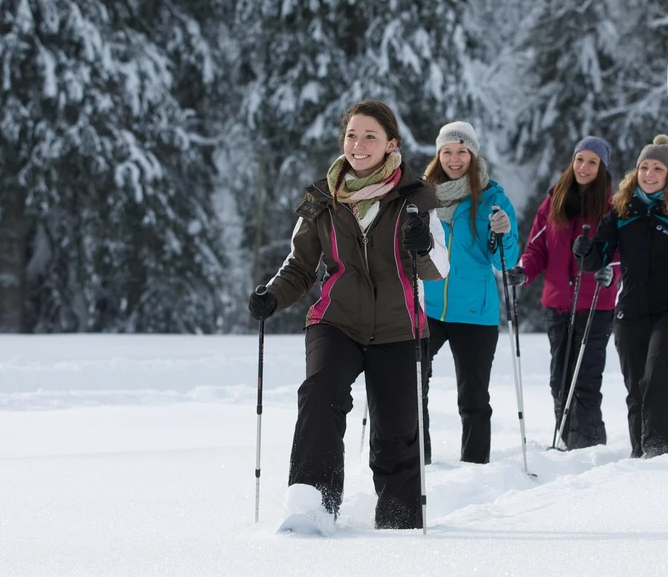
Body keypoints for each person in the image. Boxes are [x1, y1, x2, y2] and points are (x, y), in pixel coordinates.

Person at [247, 100, 448, 530]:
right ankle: (311, 506)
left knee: (396, 433)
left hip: (399, 327)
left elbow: (437, 269)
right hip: (335, 320)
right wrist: (273, 297)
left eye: (370, 136)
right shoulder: (322, 198)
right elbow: (299, 266)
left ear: (391, 144)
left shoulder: (415, 199)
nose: (358, 144)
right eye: (352, 135)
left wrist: (423, 247)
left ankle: (399, 523)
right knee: (320, 394)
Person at [576, 134, 668, 459]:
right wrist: (585, 251)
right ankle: (640, 453)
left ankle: (658, 451)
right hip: (630, 310)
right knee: (636, 386)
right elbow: (597, 258)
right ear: (636, 171)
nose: (649, 174)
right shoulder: (621, 212)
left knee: (657, 374)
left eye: (658, 168)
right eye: (644, 167)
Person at [505, 136, 618, 450]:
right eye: (580, 159)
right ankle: (568, 443)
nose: (584, 167)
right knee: (560, 380)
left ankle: (590, 446)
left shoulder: (611, 208)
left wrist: (610, 273)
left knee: (585, 380)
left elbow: (618, 253)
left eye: (592, 162)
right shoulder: (554, 201)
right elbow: (537, 248)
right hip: (558, 305)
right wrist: (524, 271)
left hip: (595, 305)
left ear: (602, 168)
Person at [419, 121, 520, 464]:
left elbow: (506, 260)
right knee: (412, 385)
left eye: (462, 151)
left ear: (473, 154)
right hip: (428, 306)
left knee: (473, 397)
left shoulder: (493, 198)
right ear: (438, 155)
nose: (454, 158)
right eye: (447, 151)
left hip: (476, 311)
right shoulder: (422, 196)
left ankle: (475, 469)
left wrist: (504, 232)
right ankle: (417, 460)